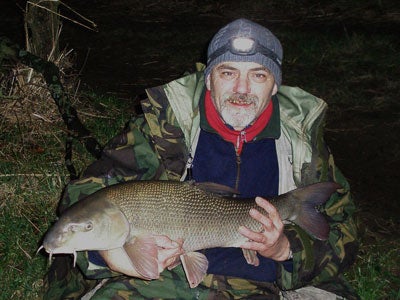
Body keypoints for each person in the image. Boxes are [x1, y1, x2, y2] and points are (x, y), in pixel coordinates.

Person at [44, 18, 359, 299]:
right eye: (228, 72)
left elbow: (344, 231)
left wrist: (287, 249)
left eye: (258, 75)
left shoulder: (301, 145)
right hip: (168, 281)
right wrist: (110, 256)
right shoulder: (165, 126)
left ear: (275, 84)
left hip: (266, 285)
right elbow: (87, 194)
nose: (242, 89)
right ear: (209, 79)